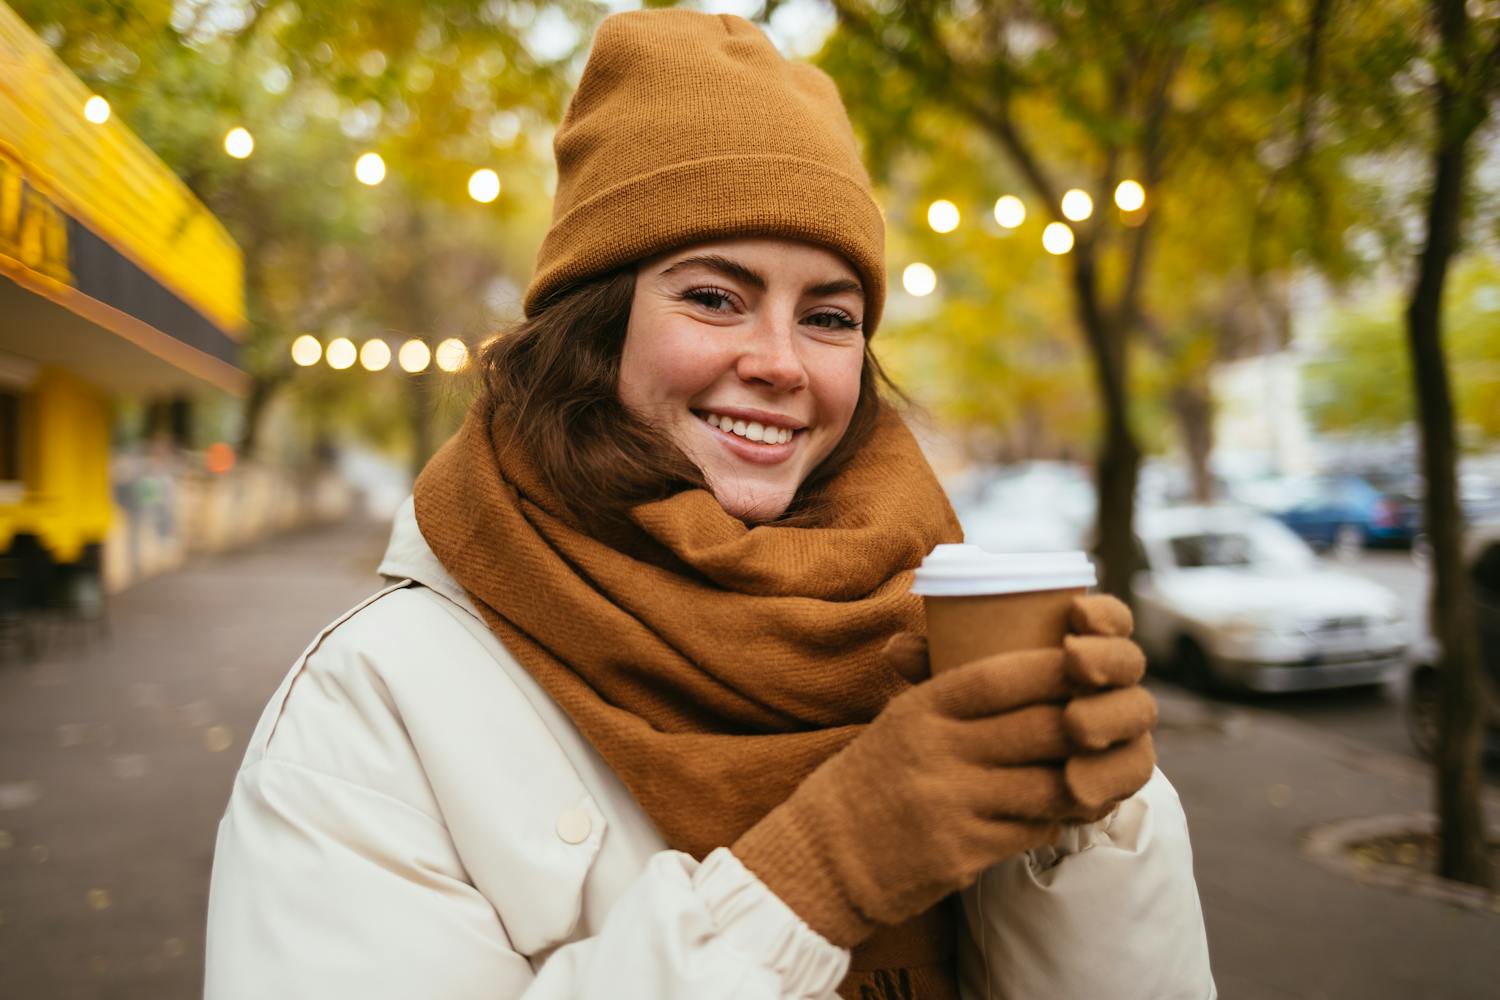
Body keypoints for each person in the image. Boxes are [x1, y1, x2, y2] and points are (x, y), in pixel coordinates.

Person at [204, 10, 1214, 999]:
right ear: (596, 326)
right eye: (714, 297)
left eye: (828, 316)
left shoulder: (915, 627)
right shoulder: (374, 699)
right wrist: (824, 868)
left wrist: (1084, 826)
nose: (778, 362)